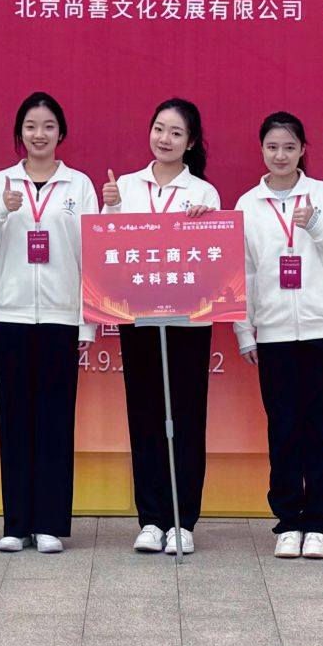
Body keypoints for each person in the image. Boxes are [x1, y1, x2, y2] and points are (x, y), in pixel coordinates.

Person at [0, 91, 99, 554]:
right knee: (15, 419)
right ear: (19, 133)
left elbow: (92, 257)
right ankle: (16, 523)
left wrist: (86, 324)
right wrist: (1, 209)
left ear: (61, 133)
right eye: (30, 126)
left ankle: (49, 524)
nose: (39, 134)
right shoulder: (0, 183)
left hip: (62, 318)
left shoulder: (79, 185)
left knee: (56, 421)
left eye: (47, 126)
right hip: (11, 315)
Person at [235, 111, 323, 560]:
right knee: (284, 429)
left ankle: (318, 524)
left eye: (289, 147)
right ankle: (288, 522)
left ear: (303, 150)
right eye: (272, 147)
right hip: (274, 334)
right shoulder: (248, 204)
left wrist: (317, 225)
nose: (281, 155)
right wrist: (245, 332)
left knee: (321, 431)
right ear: (261, 150)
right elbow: (244, 273)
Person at [102, 98, 222, 554]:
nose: (164, 139)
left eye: (175, 132)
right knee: (145, 413)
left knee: (188, 415)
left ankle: (183, 521)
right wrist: (111, 209)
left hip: (189, 318)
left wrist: (205, 224)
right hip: (137, 316)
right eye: (158, 129)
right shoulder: (124, 186)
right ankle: (151, 519)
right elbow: (106, 247)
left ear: (190, 142)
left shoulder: (203, 192)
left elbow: (214, 256)